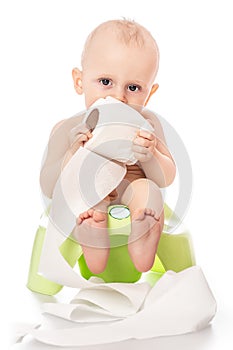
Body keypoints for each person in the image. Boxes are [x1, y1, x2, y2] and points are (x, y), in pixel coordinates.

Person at [40, 19, 176, 276]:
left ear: (150, 93)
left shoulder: (148, 124)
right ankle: (92, 227)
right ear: (79, 81)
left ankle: (144, 228)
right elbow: (49, 185)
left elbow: (166, 177)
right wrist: (72, 152)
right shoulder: (67, 128)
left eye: (133, 88)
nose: (118, 97)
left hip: (131, 192)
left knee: (147, 191)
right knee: (85, 198)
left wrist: (151, 154)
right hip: (90, 192)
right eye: (105, 82)